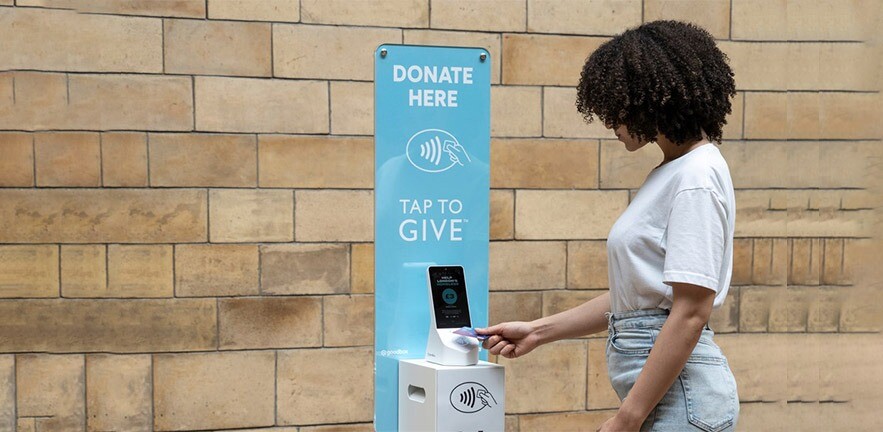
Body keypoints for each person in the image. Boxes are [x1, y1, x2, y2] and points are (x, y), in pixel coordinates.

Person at [476, 20, 740, 432]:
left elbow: (691, 311)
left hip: (683, 402)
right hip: (672, 398)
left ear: (649, 98)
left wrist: (627, 418)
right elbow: (637, 297)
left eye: (616, 104)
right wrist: (537, 332)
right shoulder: (674, 171)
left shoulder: (696, 177)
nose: (608, 120)